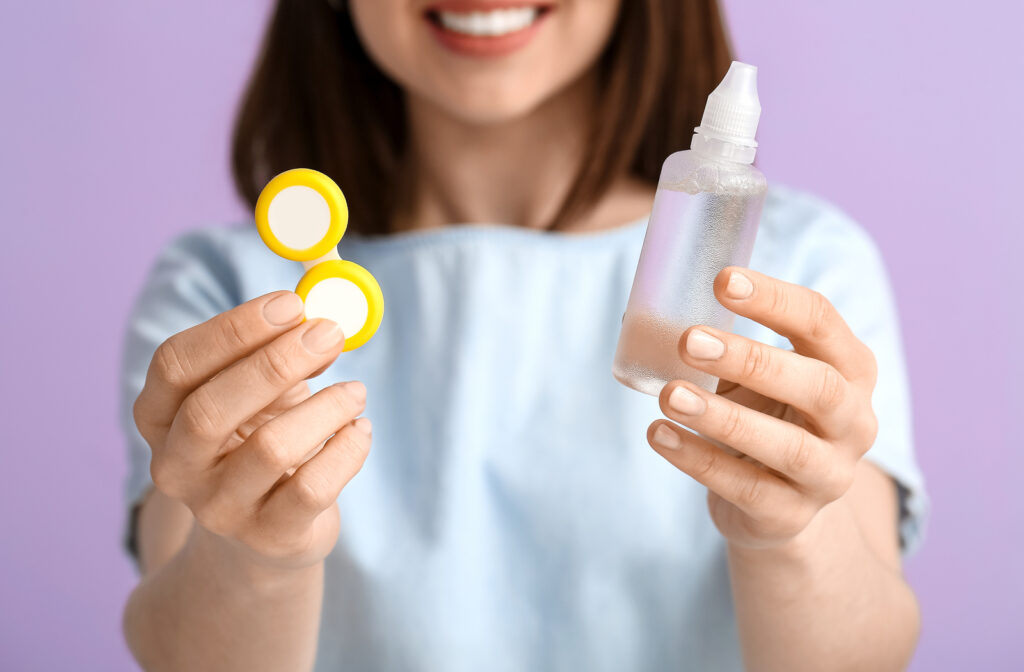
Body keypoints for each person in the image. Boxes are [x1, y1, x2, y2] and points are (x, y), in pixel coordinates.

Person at [119, 1, 927, 670]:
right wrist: (259, 559)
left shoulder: (799, 270)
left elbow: (867, 654)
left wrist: (789, 531)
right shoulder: (225, 297)